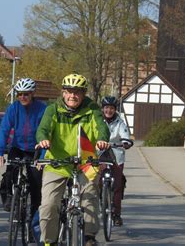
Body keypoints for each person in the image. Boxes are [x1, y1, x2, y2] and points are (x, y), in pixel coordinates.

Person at [36, 73, 109, 246]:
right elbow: (43, 129)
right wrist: (43, 139)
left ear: (83, 94)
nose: (72, 96)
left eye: (77, 92)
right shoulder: (52, 109)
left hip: (86, 163)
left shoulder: (93, 109)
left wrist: (102, 139)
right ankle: (49, 241)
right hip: (57, 164)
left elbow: (101, 128)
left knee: (89, 198)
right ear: (63, 93)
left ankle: (89, 238)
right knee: (48, 205)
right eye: (69, 91)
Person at [0, 78, 46, 216]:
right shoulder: (13, 108)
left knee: (36, 182)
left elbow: (47, 134)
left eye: (26, 94)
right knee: (9, 174)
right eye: (19, 94)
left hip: (35, 149)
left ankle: (35, 215)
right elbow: (4, 130)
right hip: (17, 148)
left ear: (32, 93)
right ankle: (10, 198)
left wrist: (42, 157)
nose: (22, 97)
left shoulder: (42, 109)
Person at [101, 96, 132, 226]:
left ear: (115, 110)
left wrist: (125, 142)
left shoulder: (120, 122)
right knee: (94, 181)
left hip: (116, 155)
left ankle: (117, 214)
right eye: (107, 108)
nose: (109, 110)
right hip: (100, 154)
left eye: (112, 108)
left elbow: (125, 135)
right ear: (103, 109)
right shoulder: (98, 120)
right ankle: (99, 202)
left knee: (117, 185)